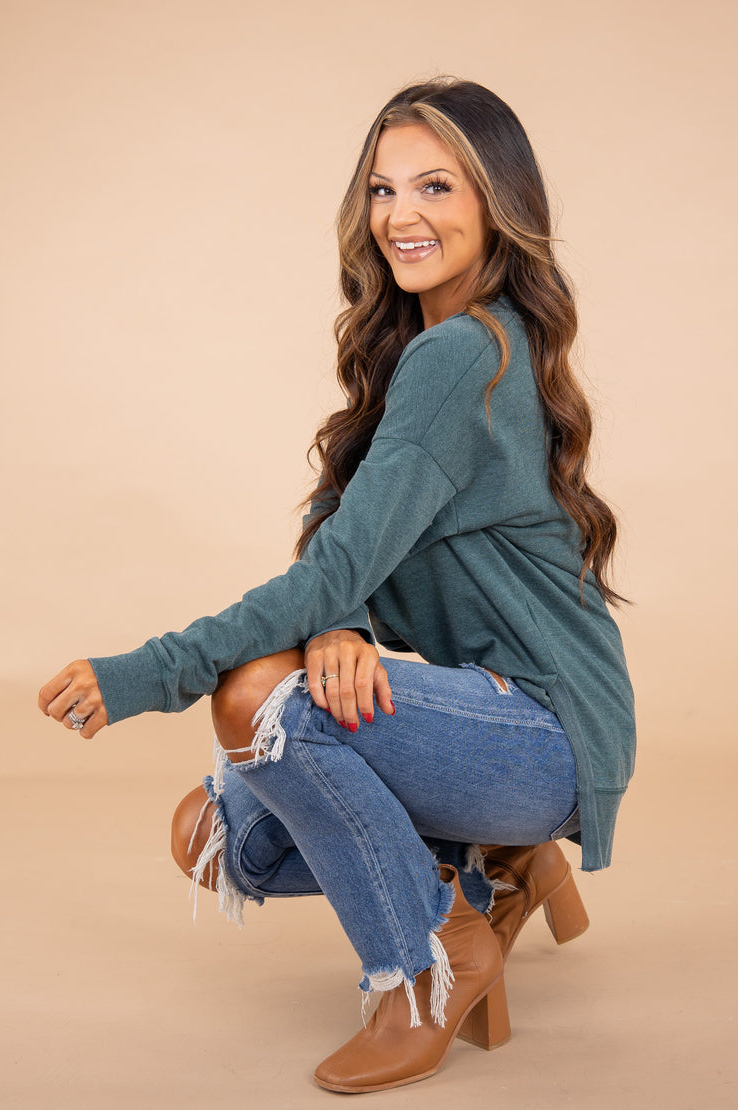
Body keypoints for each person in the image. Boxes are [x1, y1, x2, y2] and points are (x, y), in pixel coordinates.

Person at [38, 77, 636, 1093]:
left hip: (543, 731)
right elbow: (340, 527)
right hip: (493, 724)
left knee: (253, 700)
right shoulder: (428, 345)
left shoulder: (464, 355)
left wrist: (148, 673)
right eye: (382, 189)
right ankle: (489, 869)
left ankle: (427, 963)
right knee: (214, 840)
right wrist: (340, 622)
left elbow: (334, 559)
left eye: (436, 186)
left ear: (498, 202)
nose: (401, 215)